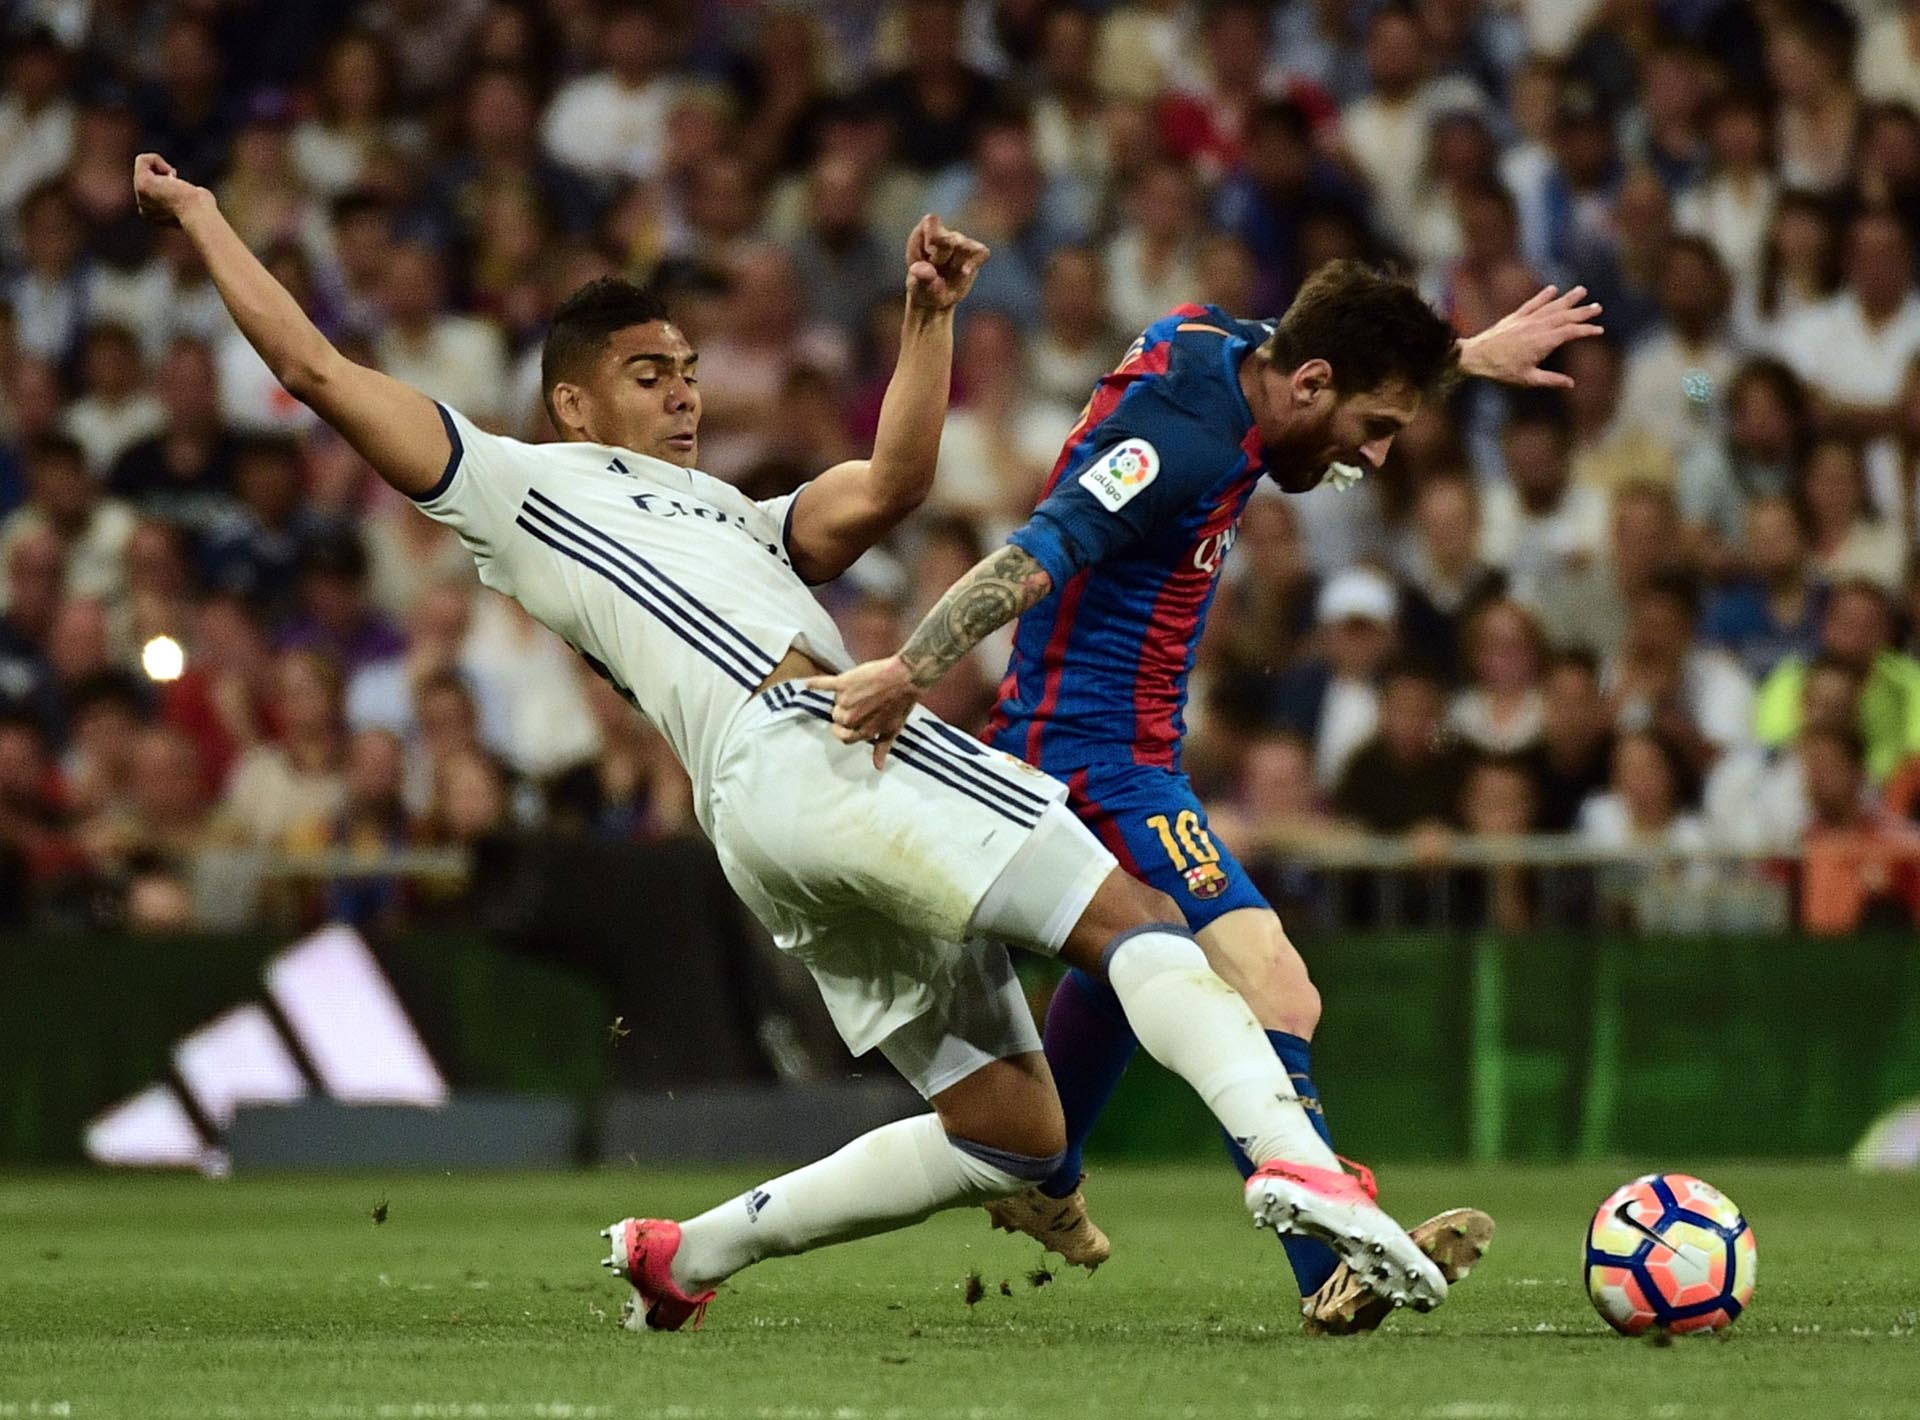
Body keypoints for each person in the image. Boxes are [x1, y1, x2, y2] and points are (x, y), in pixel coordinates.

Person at [132, 151, 1451, 1333]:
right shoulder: (515, 485)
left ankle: (683, 1256)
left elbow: (894, 485)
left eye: (693, 373)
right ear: (576, 406)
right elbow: (313, 368)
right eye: (650, 377)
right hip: (822, 744)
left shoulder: (741, 519)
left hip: (771, 821)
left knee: (1015, 1131)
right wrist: (202, 220)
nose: (684, 397)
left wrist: (926, 322)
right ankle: (1299, 1170)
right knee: (1132, 916)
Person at [813, 262, 1598, 1332]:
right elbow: (1037, 551)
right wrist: (908, 671)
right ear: (1313, 384)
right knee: (1275, 988)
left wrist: (1462, 354)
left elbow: (1311, 336)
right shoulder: (1180, 442)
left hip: (1129, 750)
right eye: (1373, 427)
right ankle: (1328, 1258)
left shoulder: (1217, 344)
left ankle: (1047, 1169)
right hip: (1089, 755)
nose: (1373, 457)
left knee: (1150, 949)